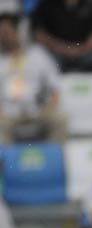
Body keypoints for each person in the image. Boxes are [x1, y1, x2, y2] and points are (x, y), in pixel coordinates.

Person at [0, 13, 66, 143]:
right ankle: (5, 162)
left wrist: (50, 107)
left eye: (8, 32)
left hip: (38, 109)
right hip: (7, 113)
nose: (4, 36)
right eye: (1, 33)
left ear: (19, 31)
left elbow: (55, 86)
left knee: (60, 119)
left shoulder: (38, 54)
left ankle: (54, 160)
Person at [31, 0, 92, 72]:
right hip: (56, 53)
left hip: (83, 53)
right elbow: (39, 34)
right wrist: (64, 49)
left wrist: (79, 50)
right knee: (42, 62)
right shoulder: (47, 5)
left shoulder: (90, 6)